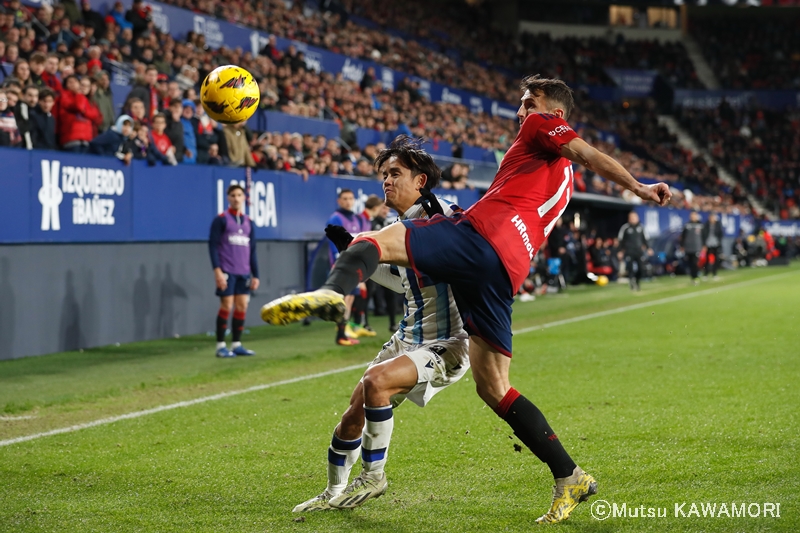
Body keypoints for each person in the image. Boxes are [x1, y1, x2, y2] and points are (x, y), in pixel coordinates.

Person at [261, 76, 672, 523]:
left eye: (528, 102)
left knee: (374, 241)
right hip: (503, 273)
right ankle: (569, 475)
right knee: (494, 388)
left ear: (552, 113)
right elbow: (570, 169)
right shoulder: (561, 178)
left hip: (482, 242)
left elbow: (587, 152)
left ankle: (330, 294)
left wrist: (641, 188)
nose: (520, 111)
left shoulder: (540, 128)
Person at [293, 141, 469, 513]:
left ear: (420, 180)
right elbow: (400, 280)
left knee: (376, 383)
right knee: (353, 413)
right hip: (408, 336)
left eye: (395, 174)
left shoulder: (445, 217)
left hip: (447, 342)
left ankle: (374, 476)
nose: (386, 181)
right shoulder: (397, 228)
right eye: (384, 175)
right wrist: (357, 252)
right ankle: (332, 492)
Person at [208, 184, 260, 358]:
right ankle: (220, 345)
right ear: (228, 198)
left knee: (242, 305)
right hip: (227, 270)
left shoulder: (248, 222)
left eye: (239, 195)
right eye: (233, 195)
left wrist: (256, 275)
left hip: (243, 271)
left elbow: (252, 250)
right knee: (227, 305)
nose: (236, 198)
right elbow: (213, 247)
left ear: (244, 197)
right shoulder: (221, 219)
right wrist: (217, 271)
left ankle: (237, 344)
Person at [326, 189, 372, 346]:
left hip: (355, 265)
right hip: (343, 265)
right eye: (344, 199)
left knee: (351, 299)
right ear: (339, 201)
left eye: (350, 198)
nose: (348, 201)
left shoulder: (356, 219)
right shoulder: (335, 218)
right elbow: (333, 244)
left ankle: (344, 333)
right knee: (344, 299)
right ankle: (340, 334)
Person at [617, 211, 649, 291]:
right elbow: (621, 240)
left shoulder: (641, 227)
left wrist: (648, 248)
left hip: (639, 251)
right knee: (630, 268)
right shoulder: (625, 228)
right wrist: (620, 251)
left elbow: (645, 239)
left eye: (635, 217)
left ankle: (637, 281)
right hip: (629, 251)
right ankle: (631, 283)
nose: (633, 219)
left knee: (641, 268)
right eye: (632, 217)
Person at [680, 211, 704, 284]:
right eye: (692, 215)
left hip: (697, 247)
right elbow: (683, 237)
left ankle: (696, 276)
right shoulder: (687, 225)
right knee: (690, 263)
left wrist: (704, 246)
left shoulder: (701, 225)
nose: (693, 217)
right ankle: (692, 277)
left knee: (695, 262)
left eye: (694, 215)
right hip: (688, 247)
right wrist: (682, 246)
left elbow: (704, 236)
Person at [702, 212, 723, 280]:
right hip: (708, 244)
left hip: (715, 244)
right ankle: (706, 274)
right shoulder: (706, 224)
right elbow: (704, 235)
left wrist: (719, 242)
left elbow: (720, 234)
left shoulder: (717, 224)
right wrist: (704, 244)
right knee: (707, 260)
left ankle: (714, 274)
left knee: (716, 259)